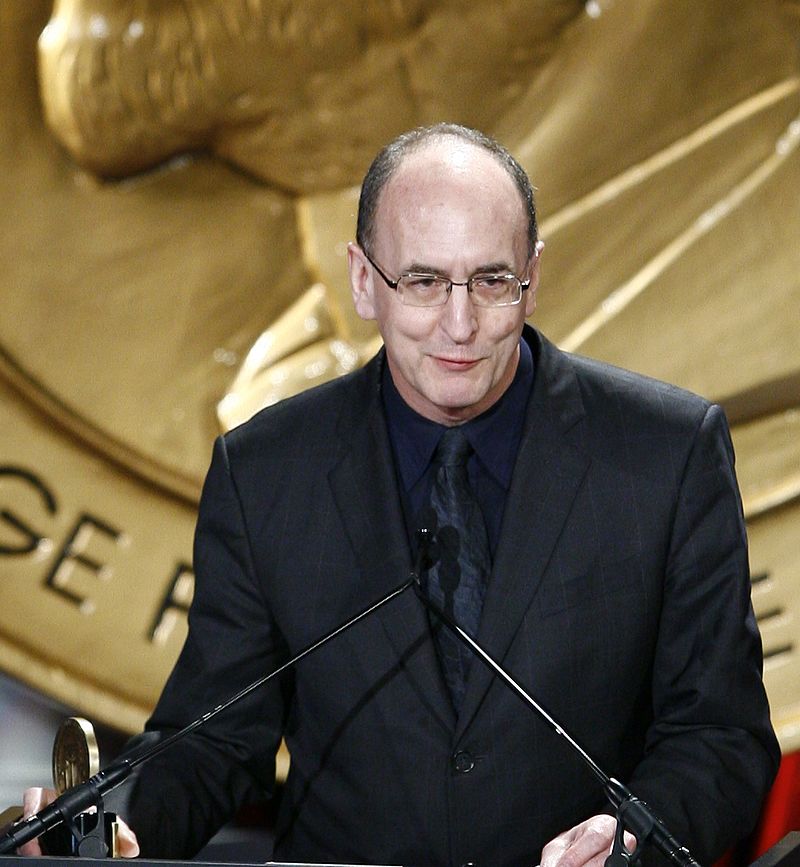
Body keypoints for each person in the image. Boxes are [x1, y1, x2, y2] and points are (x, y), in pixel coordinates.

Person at [21, 123, 779, 867]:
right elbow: (217, 736)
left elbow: (722, 733)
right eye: (421, 281)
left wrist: (631, 844)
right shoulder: (266, 472)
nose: (460, 324)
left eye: (490, 281)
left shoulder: (666, 453)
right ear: (362, 280)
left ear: (533, 277)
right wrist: (120, 830)